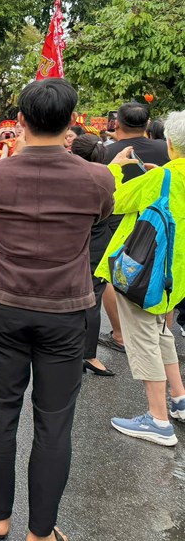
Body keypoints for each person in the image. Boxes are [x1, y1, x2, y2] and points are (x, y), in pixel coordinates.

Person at [0, 79, 114, 541]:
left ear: (21, 122)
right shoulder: (96, 178)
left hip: (8, 309)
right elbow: (99, 216)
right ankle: (41, 530)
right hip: (65, 311)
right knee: (54, 420)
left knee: (0, 411)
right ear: (71, 121)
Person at [99, 111, 185, 446]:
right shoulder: (163, 177)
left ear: (170, 144)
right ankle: (178, 398)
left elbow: (111, 201)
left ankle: (158, 419)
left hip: (145, 273)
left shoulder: (162, 178)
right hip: (174, 275)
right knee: (162, 332)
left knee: (145, 338)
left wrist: (116, 168)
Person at [97, 102, 171, 354]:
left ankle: (119, 334)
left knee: (111, 270)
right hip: (160, 220)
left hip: (118, 220)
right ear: (148, 125)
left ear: (116, 123)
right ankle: (161, 332)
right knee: (162, 267)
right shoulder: (166, 149)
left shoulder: (106, 152)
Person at [70, 133, 116, 376]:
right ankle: (87, 355)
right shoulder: (105, 179)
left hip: (69, 246)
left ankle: (75, 352)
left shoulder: (68, 178)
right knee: (91, 301)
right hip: (96, 247)